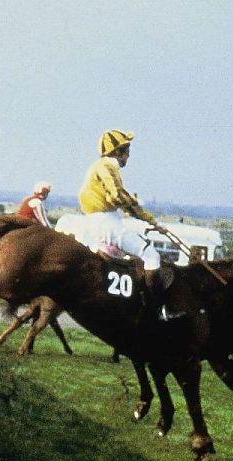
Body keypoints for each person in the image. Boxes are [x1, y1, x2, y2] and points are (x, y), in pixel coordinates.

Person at [78, 129, 181, 320]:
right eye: (127, 151)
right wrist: (151, 220)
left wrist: (142, 218)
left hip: (97, 222)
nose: (128, 156)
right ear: (118, 152)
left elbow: (119, 201)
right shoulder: (109, 167)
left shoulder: (98, 166)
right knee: (151, 255)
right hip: (106, 223)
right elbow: (118, 196)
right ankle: (158, 310)